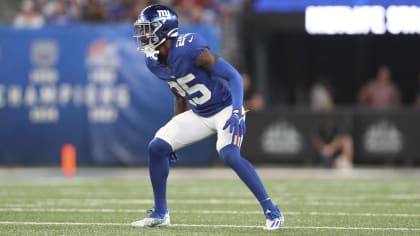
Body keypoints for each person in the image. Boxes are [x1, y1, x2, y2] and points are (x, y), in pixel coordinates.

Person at [130, 4, 284, 230]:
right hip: (200, 113)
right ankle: (161, 213)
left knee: (229, 154)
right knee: (158, 147)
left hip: (225, 109)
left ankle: (272, 211)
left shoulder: (190, 49)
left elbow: (234, 77)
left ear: (163, 30)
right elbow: (180, 96)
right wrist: (174, 137)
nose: (143, 36)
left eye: (147, 29)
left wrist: (236, 111)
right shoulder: (153, 61)